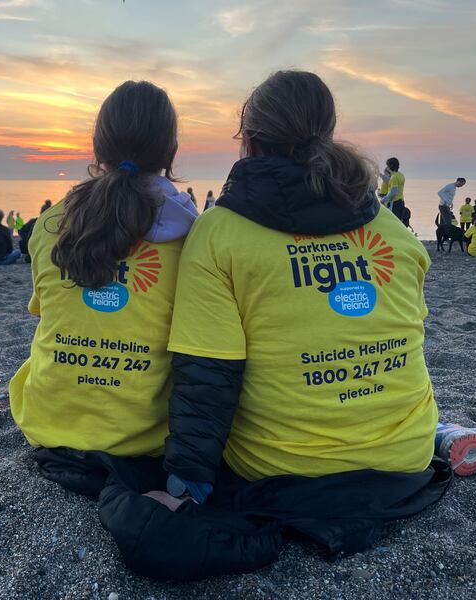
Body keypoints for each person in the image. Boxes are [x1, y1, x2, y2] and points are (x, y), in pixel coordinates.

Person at [157, 71, 447, 542]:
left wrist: (186, 484)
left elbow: (207, 372)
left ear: (247, 141)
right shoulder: (396, 235)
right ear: (326, 136)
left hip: (283, 476)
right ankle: (443, 432)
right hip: (404, 463)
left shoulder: (219, 234)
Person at [10, 80, 197, 460]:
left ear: (97, 148)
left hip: (46, 426)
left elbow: (48, 313)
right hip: (143, 441)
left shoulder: (50, 225)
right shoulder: (195, 237)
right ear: (171, 151)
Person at [379, 157, 405, 221]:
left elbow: (393, 192)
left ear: (391, 166)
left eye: (387, 165)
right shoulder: (401, 175)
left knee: (392, 220)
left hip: (394, 203)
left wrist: (383, 200)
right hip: (401, 201)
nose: (387, 167)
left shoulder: (394, 177)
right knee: (399, 221)